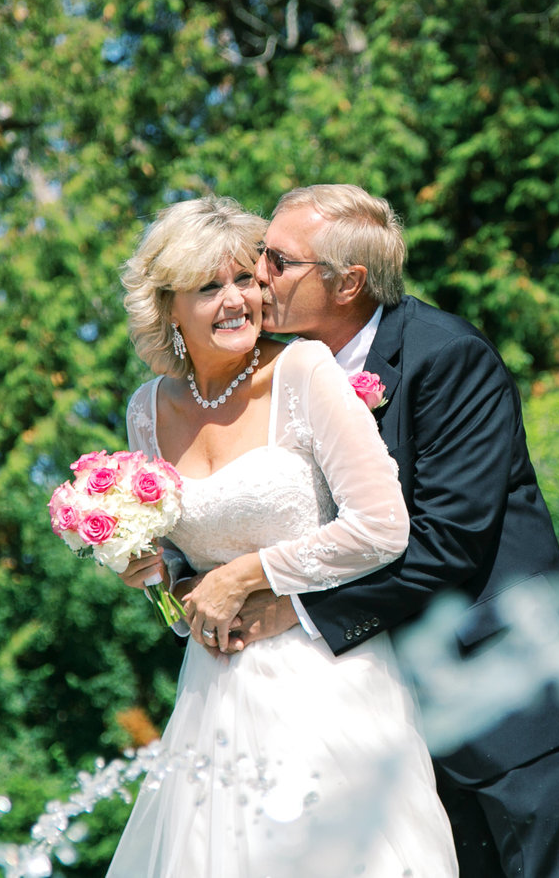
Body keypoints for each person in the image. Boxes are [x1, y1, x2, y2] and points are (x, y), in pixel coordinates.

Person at [232, 184, 559, 878]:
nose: (258, 272)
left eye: (277, 260)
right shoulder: (281, 380)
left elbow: (449, 540)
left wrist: (293, 611)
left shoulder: (447, 356)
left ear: (348, 282)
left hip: (511, 694)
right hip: (391, 720)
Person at [109, 195, 457, 877]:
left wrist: (247, 574)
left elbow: (382, 526)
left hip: (325, 678)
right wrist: (157, 582)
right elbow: (181, 595)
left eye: (246, 278)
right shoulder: (147, 411)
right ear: (168, 307)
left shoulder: (302, 371)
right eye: (209, 287)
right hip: (213, 692)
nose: (238, 299)